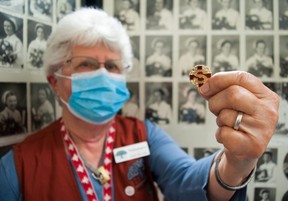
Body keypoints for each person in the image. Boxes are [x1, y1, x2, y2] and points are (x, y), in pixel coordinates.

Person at [0, 8, 280, 201]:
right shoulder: (18, 165)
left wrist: (237, 162)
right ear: (54, 81)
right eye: (85, 64)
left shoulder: (143, 134)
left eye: (112, 65)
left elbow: (186, 180)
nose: (103, 74)